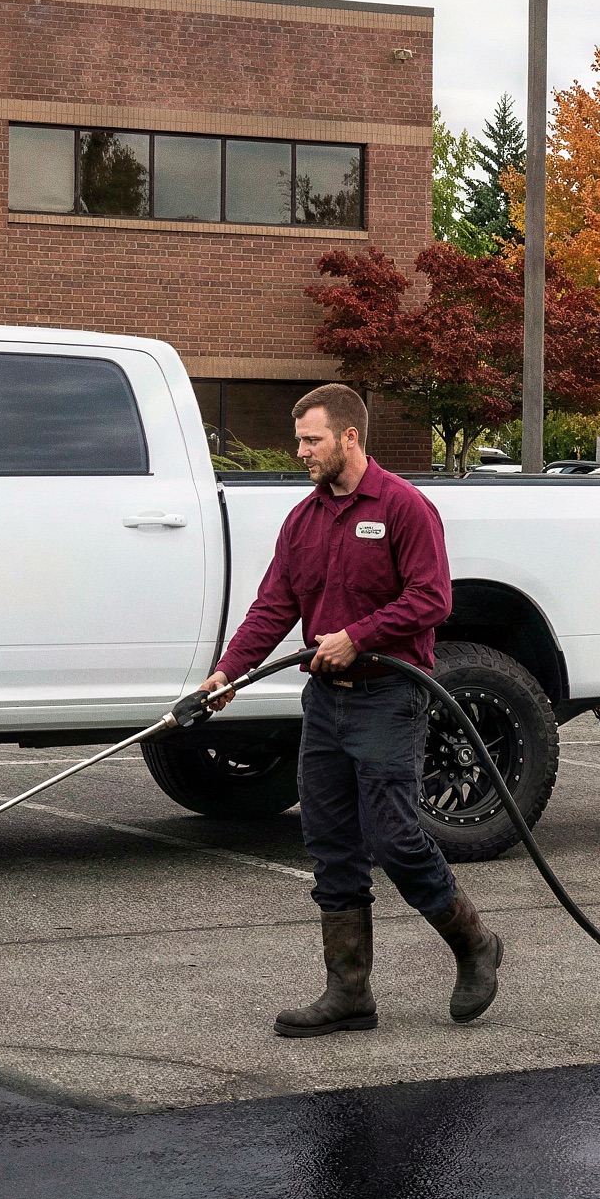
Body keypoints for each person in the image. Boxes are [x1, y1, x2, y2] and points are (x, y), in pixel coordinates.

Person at [196, 384, 504, 1033]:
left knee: (393, 837)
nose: (300, 450)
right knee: (331, 845)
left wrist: (358, 636)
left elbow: (433, 600)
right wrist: (229, 672)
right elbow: (274, 607)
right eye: (300, 439)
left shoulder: (403, 509)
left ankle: (475, 943)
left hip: (389, 696)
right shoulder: (304, 521)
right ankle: (349, 992)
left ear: (349, 437)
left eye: (311, 439)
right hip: (326, 703)